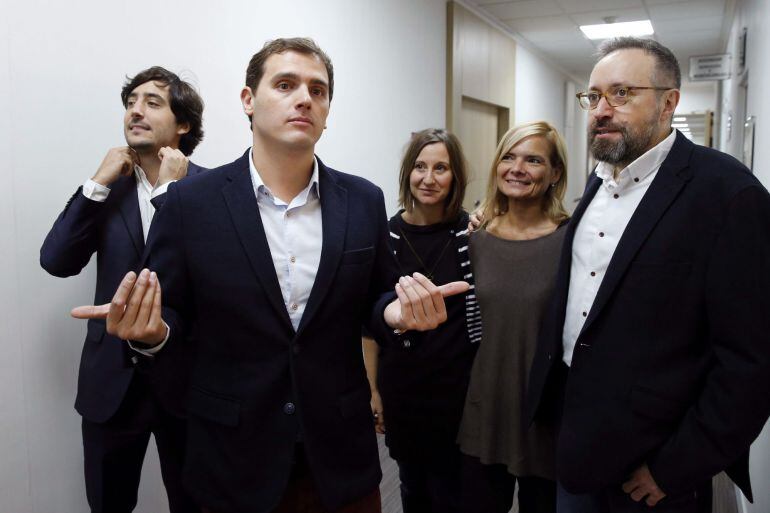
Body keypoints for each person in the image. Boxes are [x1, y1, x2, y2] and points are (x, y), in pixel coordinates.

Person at [71, 38, 467, 513]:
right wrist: (152, 333)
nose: (304, 98)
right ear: (248, 101)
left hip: (339, 456)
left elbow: (376, 298)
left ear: (327, 111)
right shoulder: (190, 204)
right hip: (232, 456)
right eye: (285, 84)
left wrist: (396, 311)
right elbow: (171, 308)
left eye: (317, 91)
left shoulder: (362, 200)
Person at [525, 37, 770, 513]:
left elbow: (751, 362)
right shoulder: (599, 179)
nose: (601, 109)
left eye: (621, 93)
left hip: (655, 460)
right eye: (593, 96)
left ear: (668, 103)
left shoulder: (728, 196)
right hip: (577, 438)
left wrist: (677, 466)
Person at [40, 66, 205, 513]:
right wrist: (96, 181)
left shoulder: (212, 190)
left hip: (189, 382)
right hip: (109, 385)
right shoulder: (107, 190)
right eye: (131, 102)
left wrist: (170, 191)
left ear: (183, 123)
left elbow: (216, 282)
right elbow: (56, 261)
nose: (136, 110)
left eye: (152, 102)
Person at [362, 129, 480, 513]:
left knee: (455, 491)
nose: (428, 179)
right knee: (413, 488)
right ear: (407, 174)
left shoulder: (473, 234)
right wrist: (373, 391)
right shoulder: (386, 235)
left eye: (441, 168)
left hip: (460, 391)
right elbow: (368, 324)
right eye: (419, 167)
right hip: (404, 390)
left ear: (455, 177)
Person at [458, 121, 568, 513]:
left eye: (533, 160)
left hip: (544, 412)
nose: (517, 168)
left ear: (555, 173)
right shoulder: (474, 237)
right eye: (509, 157)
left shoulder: (572, 240)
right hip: (485, 405)